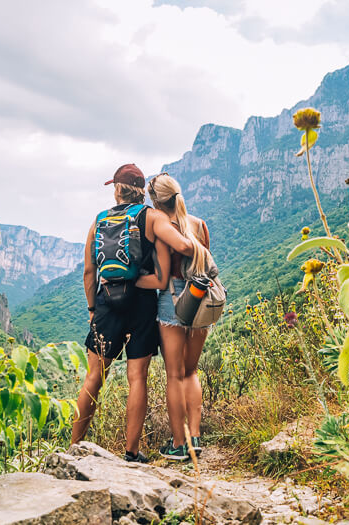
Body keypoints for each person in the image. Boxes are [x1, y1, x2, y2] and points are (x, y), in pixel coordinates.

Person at [70, 164, 194, 462]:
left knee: (94, 377)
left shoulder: (99, 220)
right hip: (141, 302)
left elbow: (89, 271)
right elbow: (163, 277)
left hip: (106, 302)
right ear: (141, 190)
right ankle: (131, 452)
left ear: (117, 188)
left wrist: (92, 308)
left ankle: (74, 448)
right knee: (137, 376)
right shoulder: (151, 217)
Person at [147, 173, 211, 461]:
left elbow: (160, 276)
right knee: (191, 371)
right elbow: (206, 262)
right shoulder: (199, 225)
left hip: (172, 299)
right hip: (200, 299)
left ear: (155, 201)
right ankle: (195, 437)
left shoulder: (163, 229)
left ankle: (178, 443)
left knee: (174, 374)